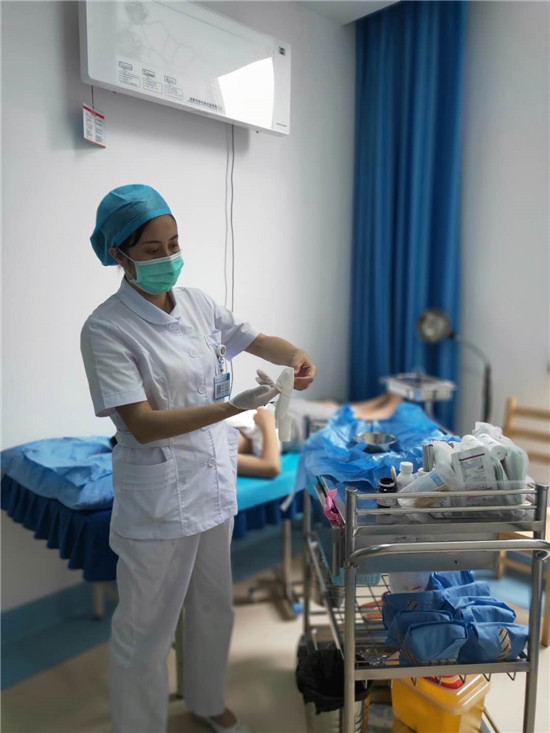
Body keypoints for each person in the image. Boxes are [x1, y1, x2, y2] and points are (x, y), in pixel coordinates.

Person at [80, 184, 317, 733]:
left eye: (174, 244)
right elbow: (141, 424)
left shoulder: (198, 302)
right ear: (120, 255)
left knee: (214, 605)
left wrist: (296, 356)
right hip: (159, 500)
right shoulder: (106, 328)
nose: (169, 258)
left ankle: (207, 702)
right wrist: (230, 408)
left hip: (212, 482)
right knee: (146, 629)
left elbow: (254, 339)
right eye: (153, 249)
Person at [231, 393, 403, 478]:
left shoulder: (215, 427)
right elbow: (271, 468)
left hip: (277, 410)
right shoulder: (217, 453)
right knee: (357, 416)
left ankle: (390, 398)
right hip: (292, 429)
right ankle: (395, 400)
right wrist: (267, 422)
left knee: (336, 406)